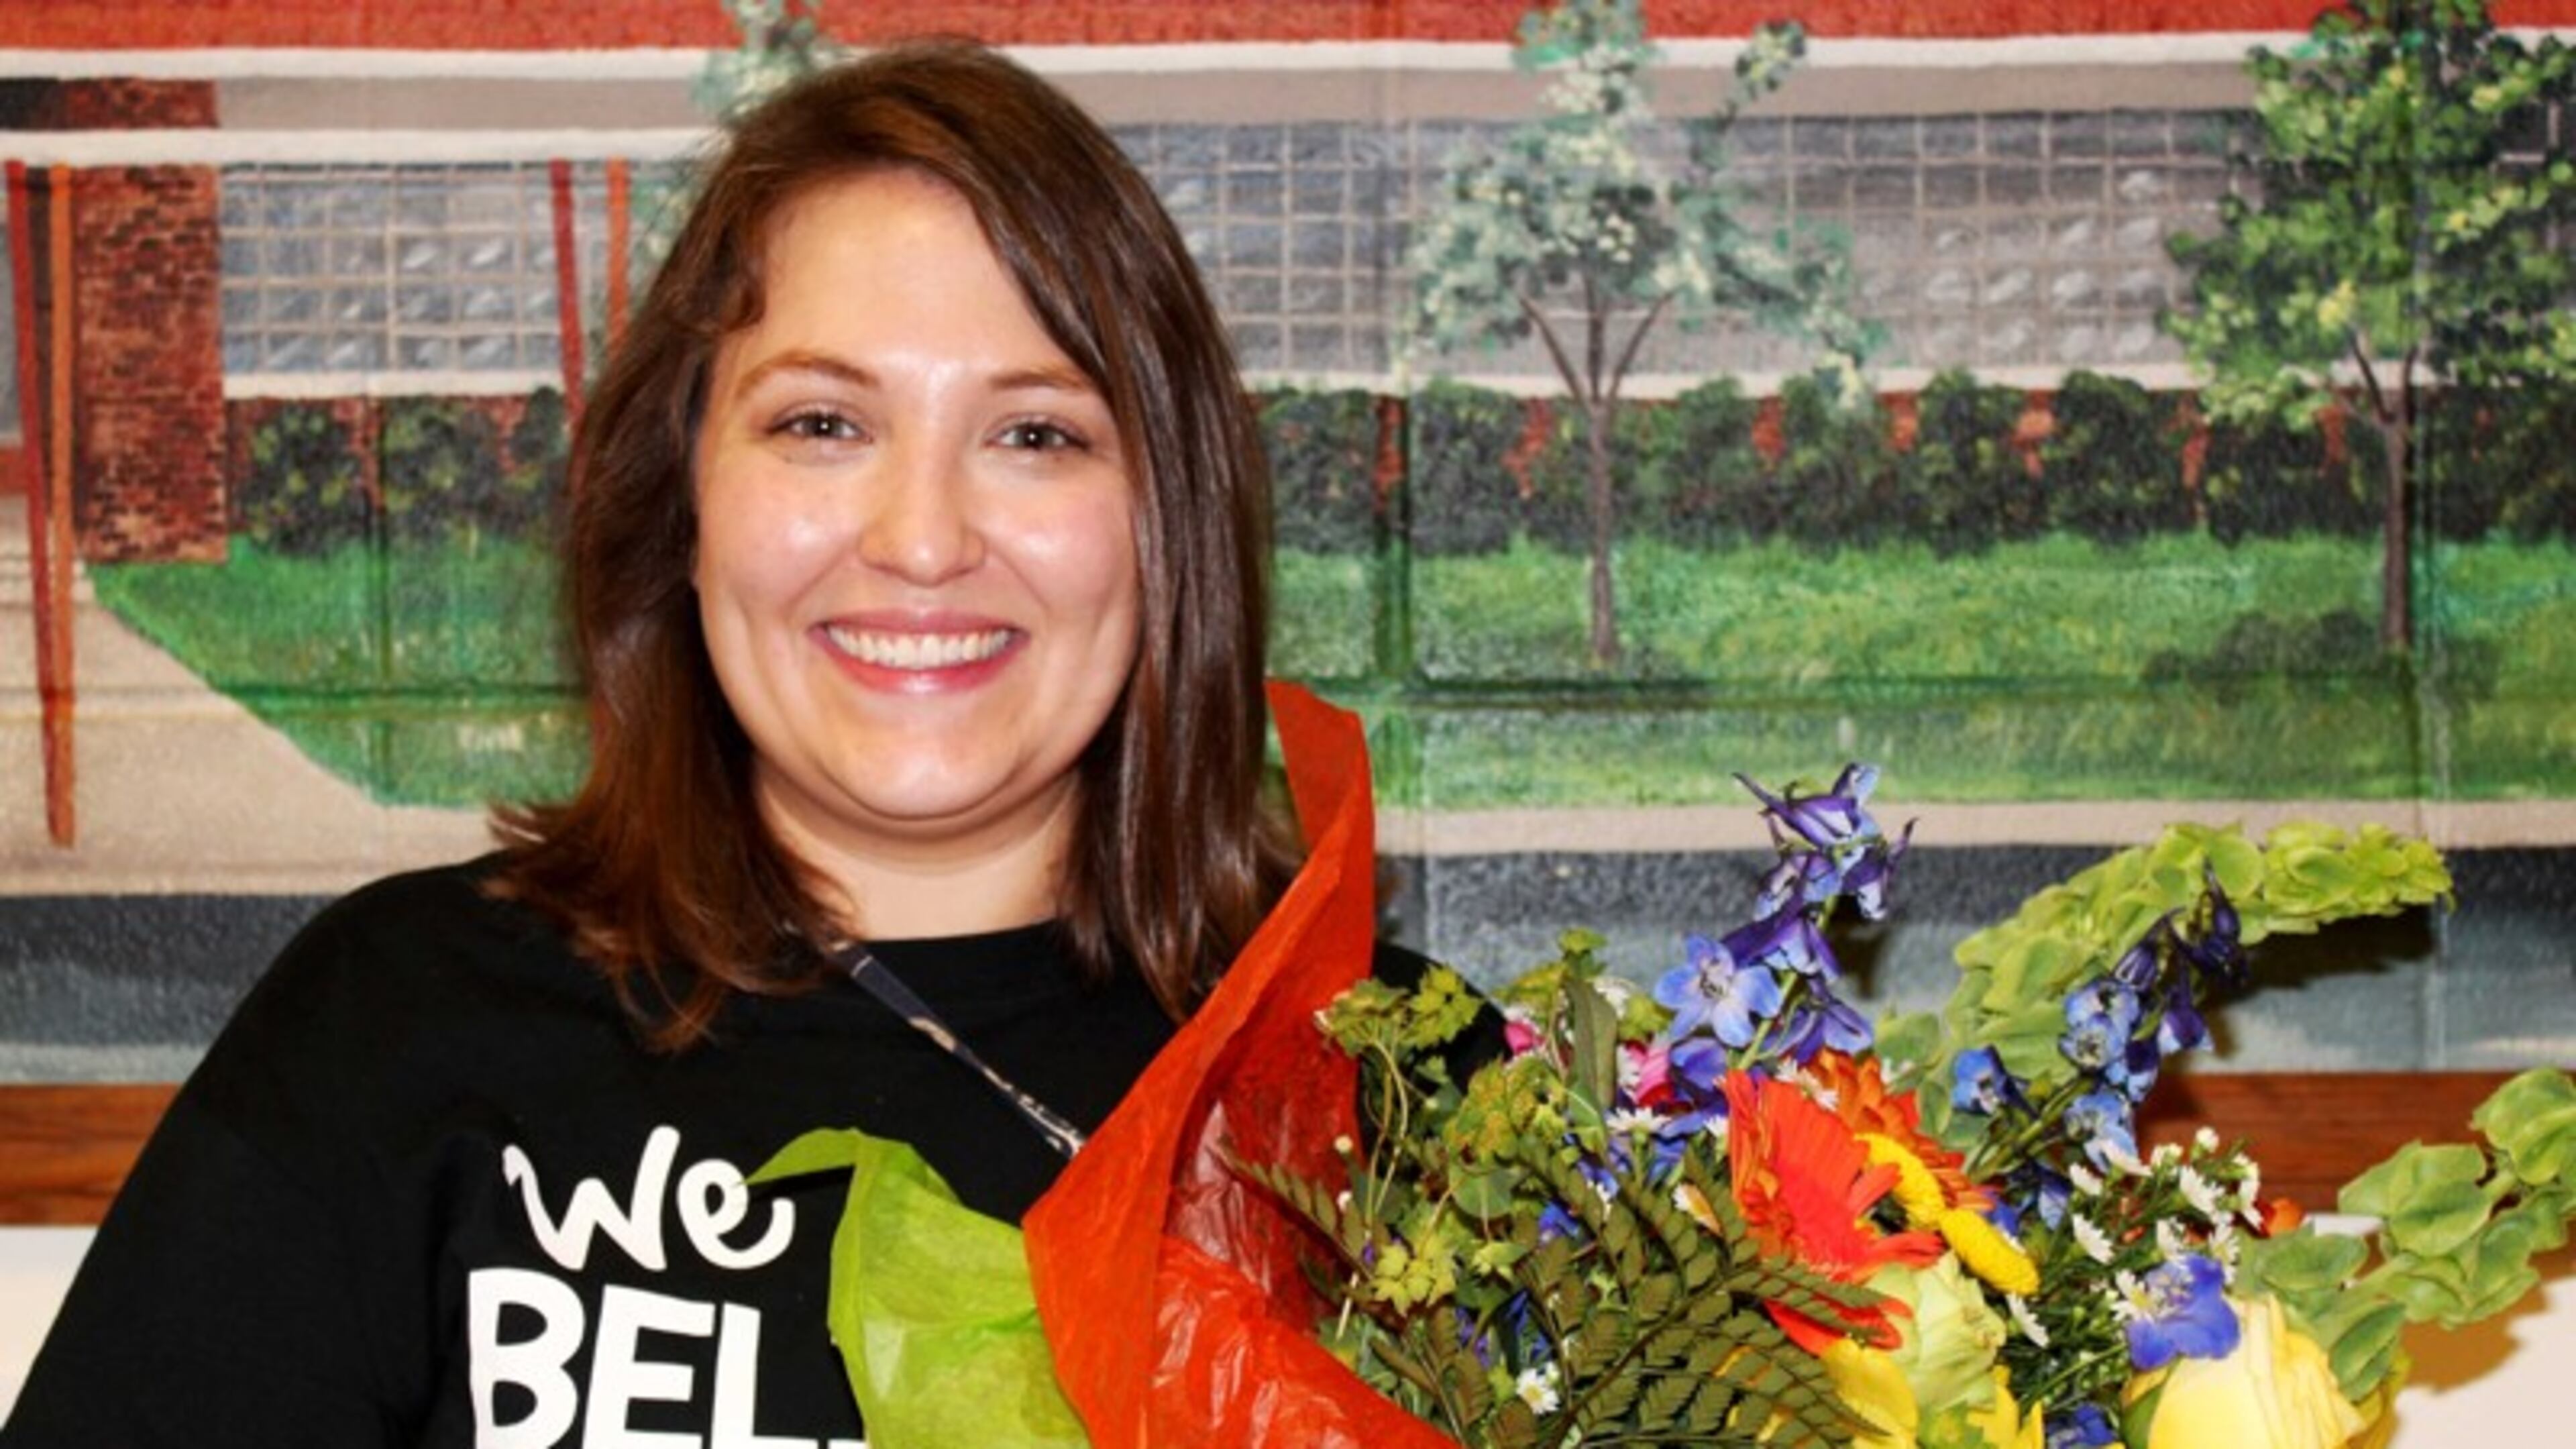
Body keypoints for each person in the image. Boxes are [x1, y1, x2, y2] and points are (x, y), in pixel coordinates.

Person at [5, 40, 1439, 1445]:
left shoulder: (1413, 1104)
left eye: (1036, 434)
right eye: (822, 423)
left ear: (1164, 522)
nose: (924, 541)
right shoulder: (389, 1030)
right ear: (683, 503)